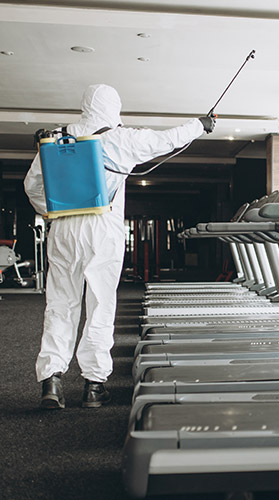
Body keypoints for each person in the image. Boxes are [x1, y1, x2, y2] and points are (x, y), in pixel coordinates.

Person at [24, 84, 215, 409]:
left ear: (85, 106)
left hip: (64, 228)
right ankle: (94, 385)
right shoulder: (120, 138)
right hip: (102, 227)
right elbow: (166, 140)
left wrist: (51, 210)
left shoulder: (56, 138)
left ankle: (52, 380)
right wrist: (200, 124)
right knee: (100, 304)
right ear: (115, 108)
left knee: (60, 302)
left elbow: (31, 185)